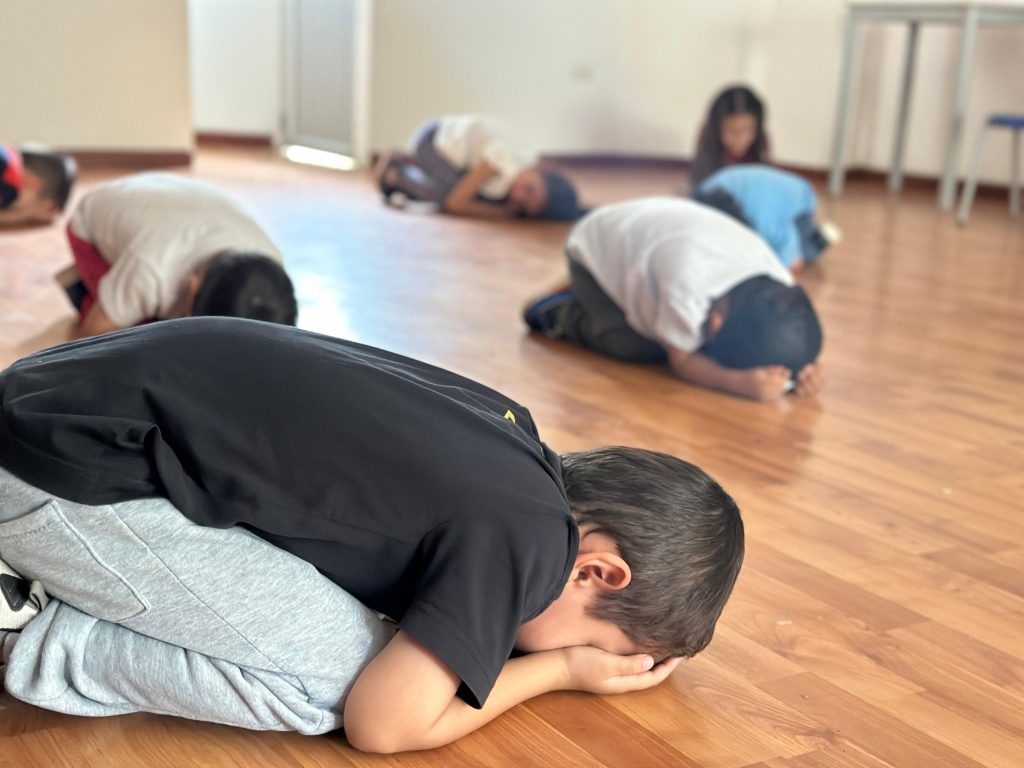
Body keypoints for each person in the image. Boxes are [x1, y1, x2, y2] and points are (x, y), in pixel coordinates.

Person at [0, 317, 744, 752]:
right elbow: (383, 724)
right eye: (593, 642)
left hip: (49, 405)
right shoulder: (530, 540)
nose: (573, 653)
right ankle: (28, 628)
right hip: (50, 478)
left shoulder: (510, 436)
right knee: (349, 676)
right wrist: (559, 673)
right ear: (597, 573)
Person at [523, 197, 825, 402]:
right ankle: (562, 310)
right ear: (717, 322)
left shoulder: (777, 280)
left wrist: (803, 367)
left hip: (644, 236)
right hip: (591, 250)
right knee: (634, 345)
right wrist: (739, 383)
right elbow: (682, 363)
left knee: (681, 338)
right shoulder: (688, 284)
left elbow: (789, 325)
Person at [60, 172, 296, 338]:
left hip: (168, 205)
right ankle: (87, 289)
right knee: (140, 336)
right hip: (91, 224)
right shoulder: (151, 270)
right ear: (193, 286)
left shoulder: (271, 262)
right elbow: (92, 336)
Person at [374, 114, 584, 221]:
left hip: (453, 153)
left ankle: (410, 172)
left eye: (524, 206)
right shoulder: (503, 159)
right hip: (431, 140)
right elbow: (455, 204)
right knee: (449, 197)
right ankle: (397, 173)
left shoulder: (519, 172)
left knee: (478, 198)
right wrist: (504, 214)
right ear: (540, 170)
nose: (519, 198)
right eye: (529, 190)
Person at [695, 165, 841, 272]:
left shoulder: (766, 223)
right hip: (771, 188)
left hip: (801, 202)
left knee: (798, 253)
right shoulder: (707, 191)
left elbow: (793, 264)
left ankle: (820, 240)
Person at [688, 85, 768, 191]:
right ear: (716, 129)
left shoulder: (760, 148)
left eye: (748, 129)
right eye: (732, 131)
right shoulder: (707, 153)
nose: (741, 139)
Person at [0, 143, 76, 226]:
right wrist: (22, 215)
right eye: (46, 207)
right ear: (33, 183)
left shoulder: (7, 156)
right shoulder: (8, 179)